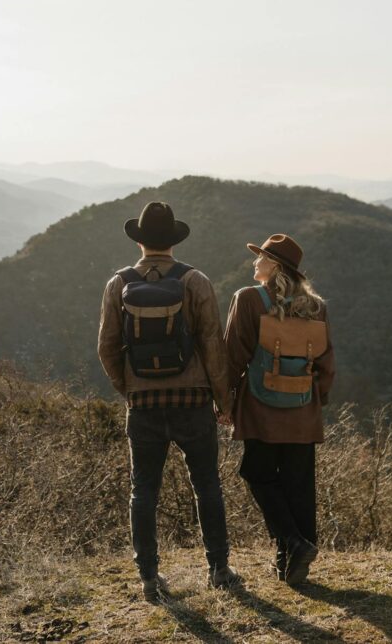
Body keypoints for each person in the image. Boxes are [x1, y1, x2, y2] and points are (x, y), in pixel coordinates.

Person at [97, 201, 240, 603]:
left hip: (143, 403)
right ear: (173, 241)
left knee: (143, 490)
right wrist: (222, 400)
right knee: (206, 485)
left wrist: (129, 390)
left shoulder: (118, 283)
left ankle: (148, 577)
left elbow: (107, 347)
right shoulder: (195, 281)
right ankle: (219, 569)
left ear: (140, 241)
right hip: (192, 400)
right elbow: (213, 345)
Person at [220, 234, 335, 585]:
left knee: (257, 473)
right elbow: (326, 364)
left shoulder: (248, 299)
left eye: (261, 258)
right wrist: (316, 401)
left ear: (275, 266)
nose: (255, 262)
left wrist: (224, 403)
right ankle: (291, 564)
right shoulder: (317, 306)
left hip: (260, 406)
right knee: (298, 484)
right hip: (303, 407)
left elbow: (233, 356)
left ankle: (293, 543)